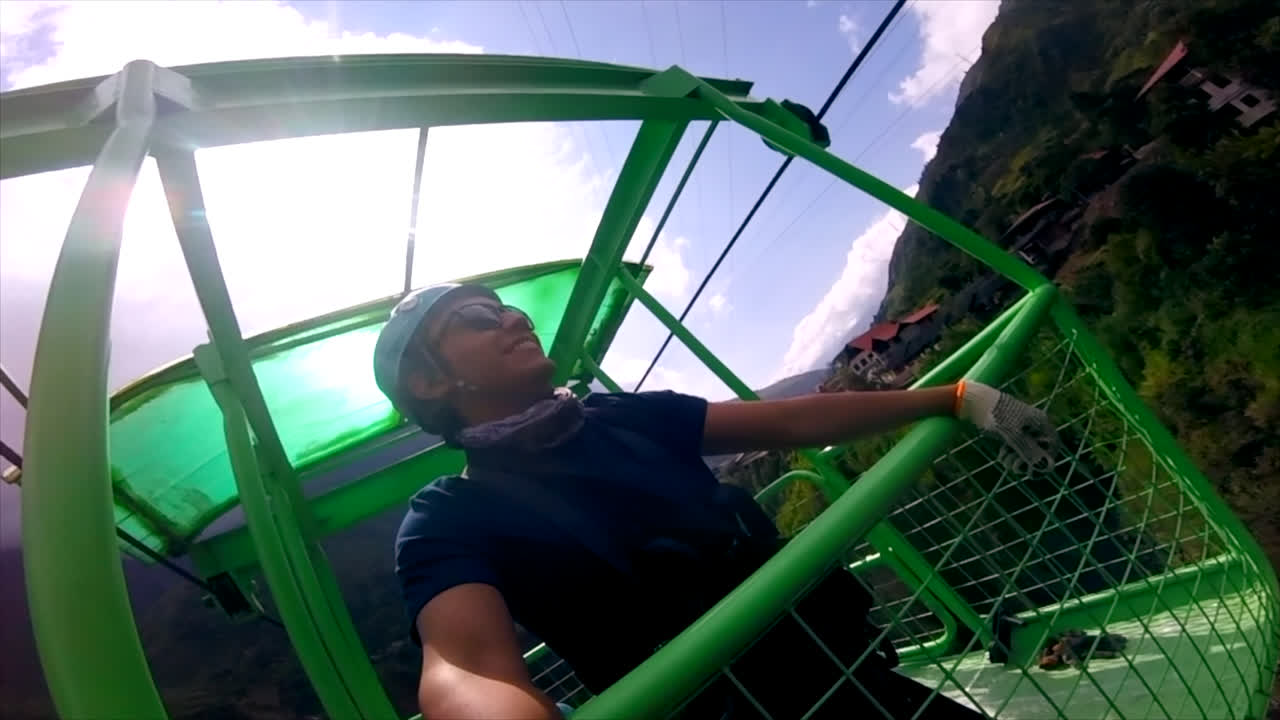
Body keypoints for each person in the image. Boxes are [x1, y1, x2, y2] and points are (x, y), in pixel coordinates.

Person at [375, 283, 1059, 719]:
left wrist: (957, 398)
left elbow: (787, 421)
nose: (512, 318)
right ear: (431, 384)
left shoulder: (622, 416)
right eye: (475, 317)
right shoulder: (449, 516)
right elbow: (463, 669)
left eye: (508, 306)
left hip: (845, 678)